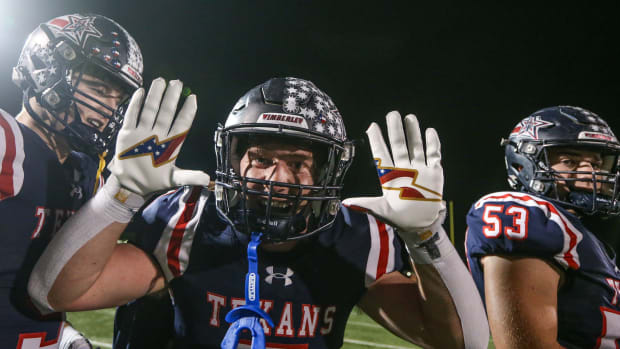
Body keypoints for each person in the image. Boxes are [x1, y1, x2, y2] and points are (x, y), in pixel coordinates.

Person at [29, 77, 489, 348]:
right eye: (262, 158)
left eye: (298, 163)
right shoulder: (190, 220)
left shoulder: (355, 236)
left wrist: (428, 237)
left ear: (326, 169)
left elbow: (464, 342)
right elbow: (53, 293)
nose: (278, 178)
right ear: (233, 160)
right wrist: (121, 192)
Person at [0, 13, 143, 348]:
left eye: (118, 99)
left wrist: (61, 336)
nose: (109, 109)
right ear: (47, 70)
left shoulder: (86, 169)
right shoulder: (7, 141)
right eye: (98, 88)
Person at [465, 106, 620, 348]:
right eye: (570, 161)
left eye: (597, 163)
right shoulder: (530, 217)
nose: (590, 172)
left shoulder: (584, 238)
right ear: (524, 164)